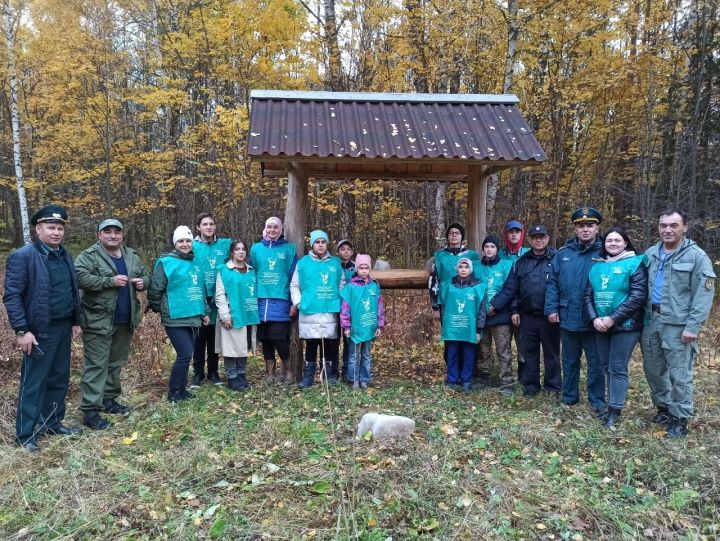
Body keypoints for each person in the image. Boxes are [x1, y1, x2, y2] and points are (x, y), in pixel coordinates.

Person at [3, 205, 82, 452]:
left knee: (59, 378)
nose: (56, 232)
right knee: (34, 382)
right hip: (37, 332)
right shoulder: (23, 256)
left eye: (60, 228)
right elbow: (12, 296)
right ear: (39, 229)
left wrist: (75, 321)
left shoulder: (64, 255)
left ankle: (52, 424)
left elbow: (70, 290)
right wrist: (21, 331)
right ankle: (25, 435)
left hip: (62, 327)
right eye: (51, 227)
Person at [640, 209, 715, 438]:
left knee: (680, 374)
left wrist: (693, 326)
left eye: (673, 225)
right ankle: (663, 408)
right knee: (653, 370)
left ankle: (679, 418)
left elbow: (703, 295)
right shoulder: (651, 253)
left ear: (685, 227)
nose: (668, 230)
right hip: (651, 320)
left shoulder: (696, 257)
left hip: (678, 324)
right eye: (663, 225)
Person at [75, 218, 150, 430]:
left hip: (125, 321)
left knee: (115, 363)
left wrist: (144, 283)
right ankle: (90, 411)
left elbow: (145, 275)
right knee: (96, 365)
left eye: (116, 232)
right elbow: (79, 277)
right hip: (98, 320)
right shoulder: (89, 256)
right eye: (107, 231)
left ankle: (109, 400)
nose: (112, 235)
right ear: (99, 235)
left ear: (122, 235)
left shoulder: (131, 255)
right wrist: (109, 281)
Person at [584, 227, 648, 428]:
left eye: (617, 240)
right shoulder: (597, 267)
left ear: (625, 242)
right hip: (601, 326)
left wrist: (613, 319)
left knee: (617, 368)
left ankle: (615, 411)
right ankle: (610, 407)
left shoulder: (635, 263)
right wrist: (594, 319)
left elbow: (637, 296)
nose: (612, 243)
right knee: (605, 367)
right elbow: (588, 295)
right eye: (609, 240)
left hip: (626, 327)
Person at [545, 207, 605, 416]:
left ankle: (597, 400)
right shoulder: (563, 254)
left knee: (596, 363)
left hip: (594, 320)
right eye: (581, 226)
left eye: (590, 225)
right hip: (567, 316)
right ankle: (569, 397)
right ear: (575, 229)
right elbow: (552, 282)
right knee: (569, 361)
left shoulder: (605, 253)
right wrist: (551, 308)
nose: (585, 229)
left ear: (597, 228)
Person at [148, 226, 210, 402]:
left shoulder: (195, 263)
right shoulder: (166, 262)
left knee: (187, 355)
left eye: (188, 241)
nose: (185, 244)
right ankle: (174, 392)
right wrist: (160, 308)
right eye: (181, 241)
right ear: (175, 243)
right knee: (185, 354)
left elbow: (200, 290)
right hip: (175, 316)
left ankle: (182, 390)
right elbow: (155, 290)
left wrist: (205, 312)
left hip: (193, 316)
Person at [510, 225, 561, 397]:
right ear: (529, 240)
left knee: (551, 353)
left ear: (547, 239)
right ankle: (531, 386)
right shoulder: (521, 262)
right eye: (535, 237)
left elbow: (562, 286)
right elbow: (515, 289)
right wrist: (515, 310)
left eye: (542, 237)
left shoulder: (556, 259)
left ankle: (552, 387)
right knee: (529, 353)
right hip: (527, 315)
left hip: (549, 316)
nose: (538, 240)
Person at [291, 230, 345, 389]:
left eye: (323, 242)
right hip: (310, 311)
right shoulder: (303, 263)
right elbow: (295, 285)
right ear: (312, 244)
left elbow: (341, 284)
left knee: (328, 344)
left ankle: (327, 376)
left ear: (327, 244)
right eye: (317, 242)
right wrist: (298, 302)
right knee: (312, 344)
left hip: (329, 310)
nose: (320, 245)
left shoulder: (335, 263)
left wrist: (340, 300)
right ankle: (308, 377)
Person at [249, 217, 298, 383]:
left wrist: (294, 302)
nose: (272, 230)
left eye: (275, 227)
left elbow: (294, 277)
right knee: (265, 338)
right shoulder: (256, 249)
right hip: (260, 300)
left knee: (278, 337)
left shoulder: (289, 249)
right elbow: (251, 273)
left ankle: (289, 370)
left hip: (281, 299)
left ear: (280, 229)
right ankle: (270, 372)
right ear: (265, 228)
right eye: (269, 227)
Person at [191, 213, 231, 387]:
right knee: (198, 338)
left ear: (215, 227)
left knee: (214, 337)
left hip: (218, 297)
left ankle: (213, 372)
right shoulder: (190, 245)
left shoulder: (225, 245)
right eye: (204, 224)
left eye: (211, 224)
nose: (208, 227)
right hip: (198, 296)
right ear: (198, 227)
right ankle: (198, 373)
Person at [215, 240, 259, 392]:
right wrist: (225, 316)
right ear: (232, 252)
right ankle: (232, 376)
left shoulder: (251, 270)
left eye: (243, 249)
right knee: (231, 347)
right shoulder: (224, 270)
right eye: (237, 249)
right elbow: (220, 294)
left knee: (243, 345)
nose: (241, 252)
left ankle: (241, 374)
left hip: (248, 313)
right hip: (232, 314)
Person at [474, 235, 515, 395]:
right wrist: (482, 308)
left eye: (492, 246)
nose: (489, 249)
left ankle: (506, 381)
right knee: (484, 348)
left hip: (500, 315)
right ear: (483, 249)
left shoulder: (506, 265)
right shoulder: (476, 266)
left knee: (503, 349)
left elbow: (510, 289)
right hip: (481, 315)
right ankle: (484, 377)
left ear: (497, 249)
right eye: (486, 247)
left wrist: (495, 306)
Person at [439, 258, 487, 392]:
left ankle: (466, 380)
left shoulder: (478, 287)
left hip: (469, 328)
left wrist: (479, 329)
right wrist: (444, 325)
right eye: (461, 267)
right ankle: (452, 379)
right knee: (452, 353)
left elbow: (482, 310)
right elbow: (443, 306)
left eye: (466, 267)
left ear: (470, 269)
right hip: (452, 327)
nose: (464, 269)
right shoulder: (448, 286)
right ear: (457, 269)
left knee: (469, 354)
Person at [340, 254, 385, 389]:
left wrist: (380, 325)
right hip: (355, 328)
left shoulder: (374, 286)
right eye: (361, 268)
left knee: (366, 355)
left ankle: (364, 379)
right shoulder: (351, 287)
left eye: (366, 268)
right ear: (356, 269)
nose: (364, 270)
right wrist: (346, 326)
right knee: (354, 355)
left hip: (369, 327)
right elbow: (345, 308)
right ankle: (353, 379)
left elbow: (380, 307)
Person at [337, 239, 356, 381]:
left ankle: (347, 370)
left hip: (351, 309)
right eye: (342, 249)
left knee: (349, 340)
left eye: (348, 249)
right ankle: (332, 369)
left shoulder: (356, 268)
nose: (345, 252)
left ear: (352, 252)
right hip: (334, 306)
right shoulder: (333, 266)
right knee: (334, 339)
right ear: (338, 252)